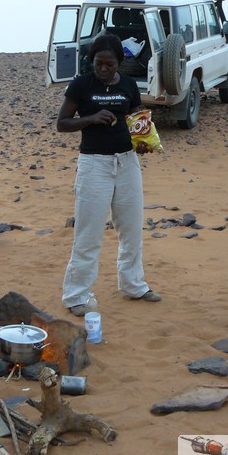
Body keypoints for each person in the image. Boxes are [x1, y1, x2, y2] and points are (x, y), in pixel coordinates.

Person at [57, 33, 161, 317]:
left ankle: (134, 285)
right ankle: (76, 295)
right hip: (94, 165)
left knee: (131, 228)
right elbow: (62, 123)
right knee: (88, 234)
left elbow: (135, 115)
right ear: (92, 62)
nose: (103, 70)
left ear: (120, 62)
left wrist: (143, 139)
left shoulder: (128, 84)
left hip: (127, 163)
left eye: (109, 65)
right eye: (99, 64)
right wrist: (90, 118)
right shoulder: (81, 85)